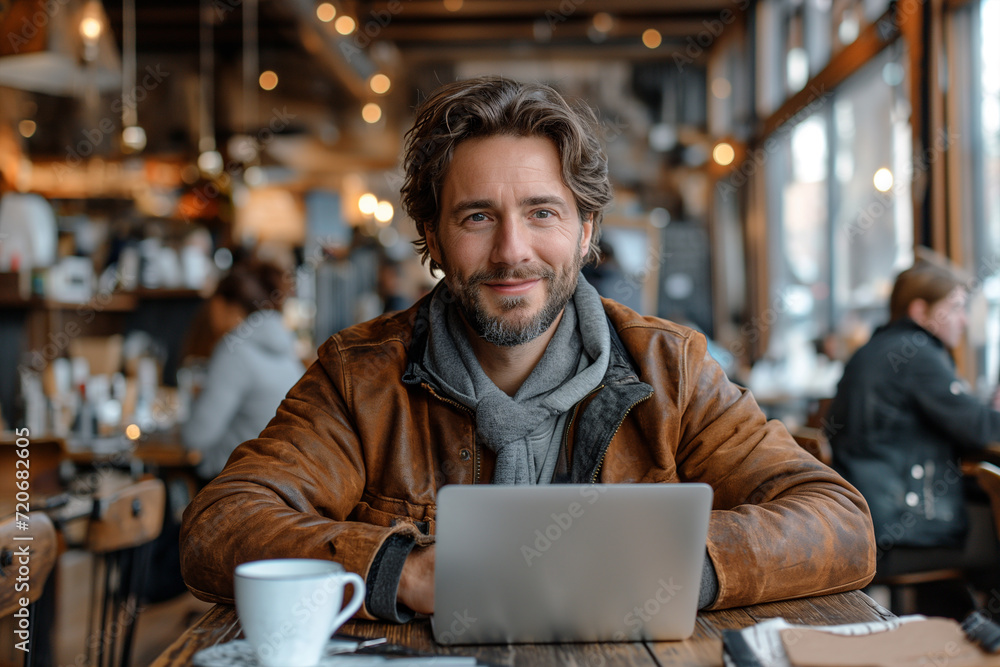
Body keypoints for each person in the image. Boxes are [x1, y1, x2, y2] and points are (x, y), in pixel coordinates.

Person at [180, 77, 875, 621]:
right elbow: (220, 526)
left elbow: (839, 524)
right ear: (434, 236)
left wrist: (667, 567)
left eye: (542, 212)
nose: (512, 251)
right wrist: (405, 570)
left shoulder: (672, 369)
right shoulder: (359, 376)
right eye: (478, 216)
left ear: (584, 230)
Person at [826, 259, 1000, 583]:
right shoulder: (919, 353)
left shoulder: (873, 348)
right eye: (956, 307)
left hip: (864, 520)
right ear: (920, 312)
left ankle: (945, 627)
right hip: (898, 530)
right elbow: (978, 429)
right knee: (995, 536)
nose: (963, 320)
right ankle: (974, 631)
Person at [181, 258, 305, 481]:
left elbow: (196, 436)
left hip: (238, 485)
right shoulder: (284, 346)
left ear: (221, 305)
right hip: (284, 484)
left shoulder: (233, 349)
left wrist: (195, 400)